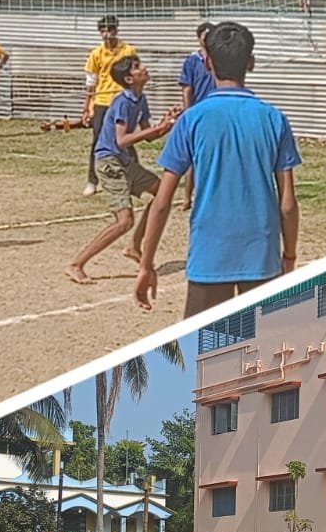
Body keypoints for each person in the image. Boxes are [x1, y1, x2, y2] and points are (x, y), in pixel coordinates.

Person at [135, 22, 301, 317]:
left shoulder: (192, 120)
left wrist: (147, 263)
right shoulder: (274, 118)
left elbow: (161, 202)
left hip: (209, 256)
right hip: (261, 256)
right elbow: (287, 203)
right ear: (251, 62)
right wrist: (288, 256)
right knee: (266, 354)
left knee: (202, 354)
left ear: (208, 62)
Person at [66, 55, 176, 285]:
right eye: (138, 67)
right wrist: (158, 127)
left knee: (160, 193)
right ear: (129, 78)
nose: (144, 68)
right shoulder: (122, 102)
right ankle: (76, 264)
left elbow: (148, 135)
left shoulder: (140, 99)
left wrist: (167, 124)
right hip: (109, 162)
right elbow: (122, 139)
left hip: (123, 161)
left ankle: (134, 246)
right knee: (124, 221)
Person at [82, 15, 138, 194]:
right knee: (99, 141)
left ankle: (136, 176)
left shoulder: (128, 50)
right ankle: (93, 180)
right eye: (103, 31)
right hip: (102, 101)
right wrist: (87, 107)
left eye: (110, 30)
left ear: (116, 30)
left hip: (122, 100)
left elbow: (135, 74)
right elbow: (91, 82)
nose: (107, 35)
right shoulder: (96, 53)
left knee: (126, 140)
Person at [178, 23, 215, 210]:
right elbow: (187, 88)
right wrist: (188, 112)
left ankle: (210, 196)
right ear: (198, 38)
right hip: (198, 112)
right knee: (192, 157)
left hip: (216, 111)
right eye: (205, 36)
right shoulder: (192, 61)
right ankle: (187, 198)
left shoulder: (220, 59)